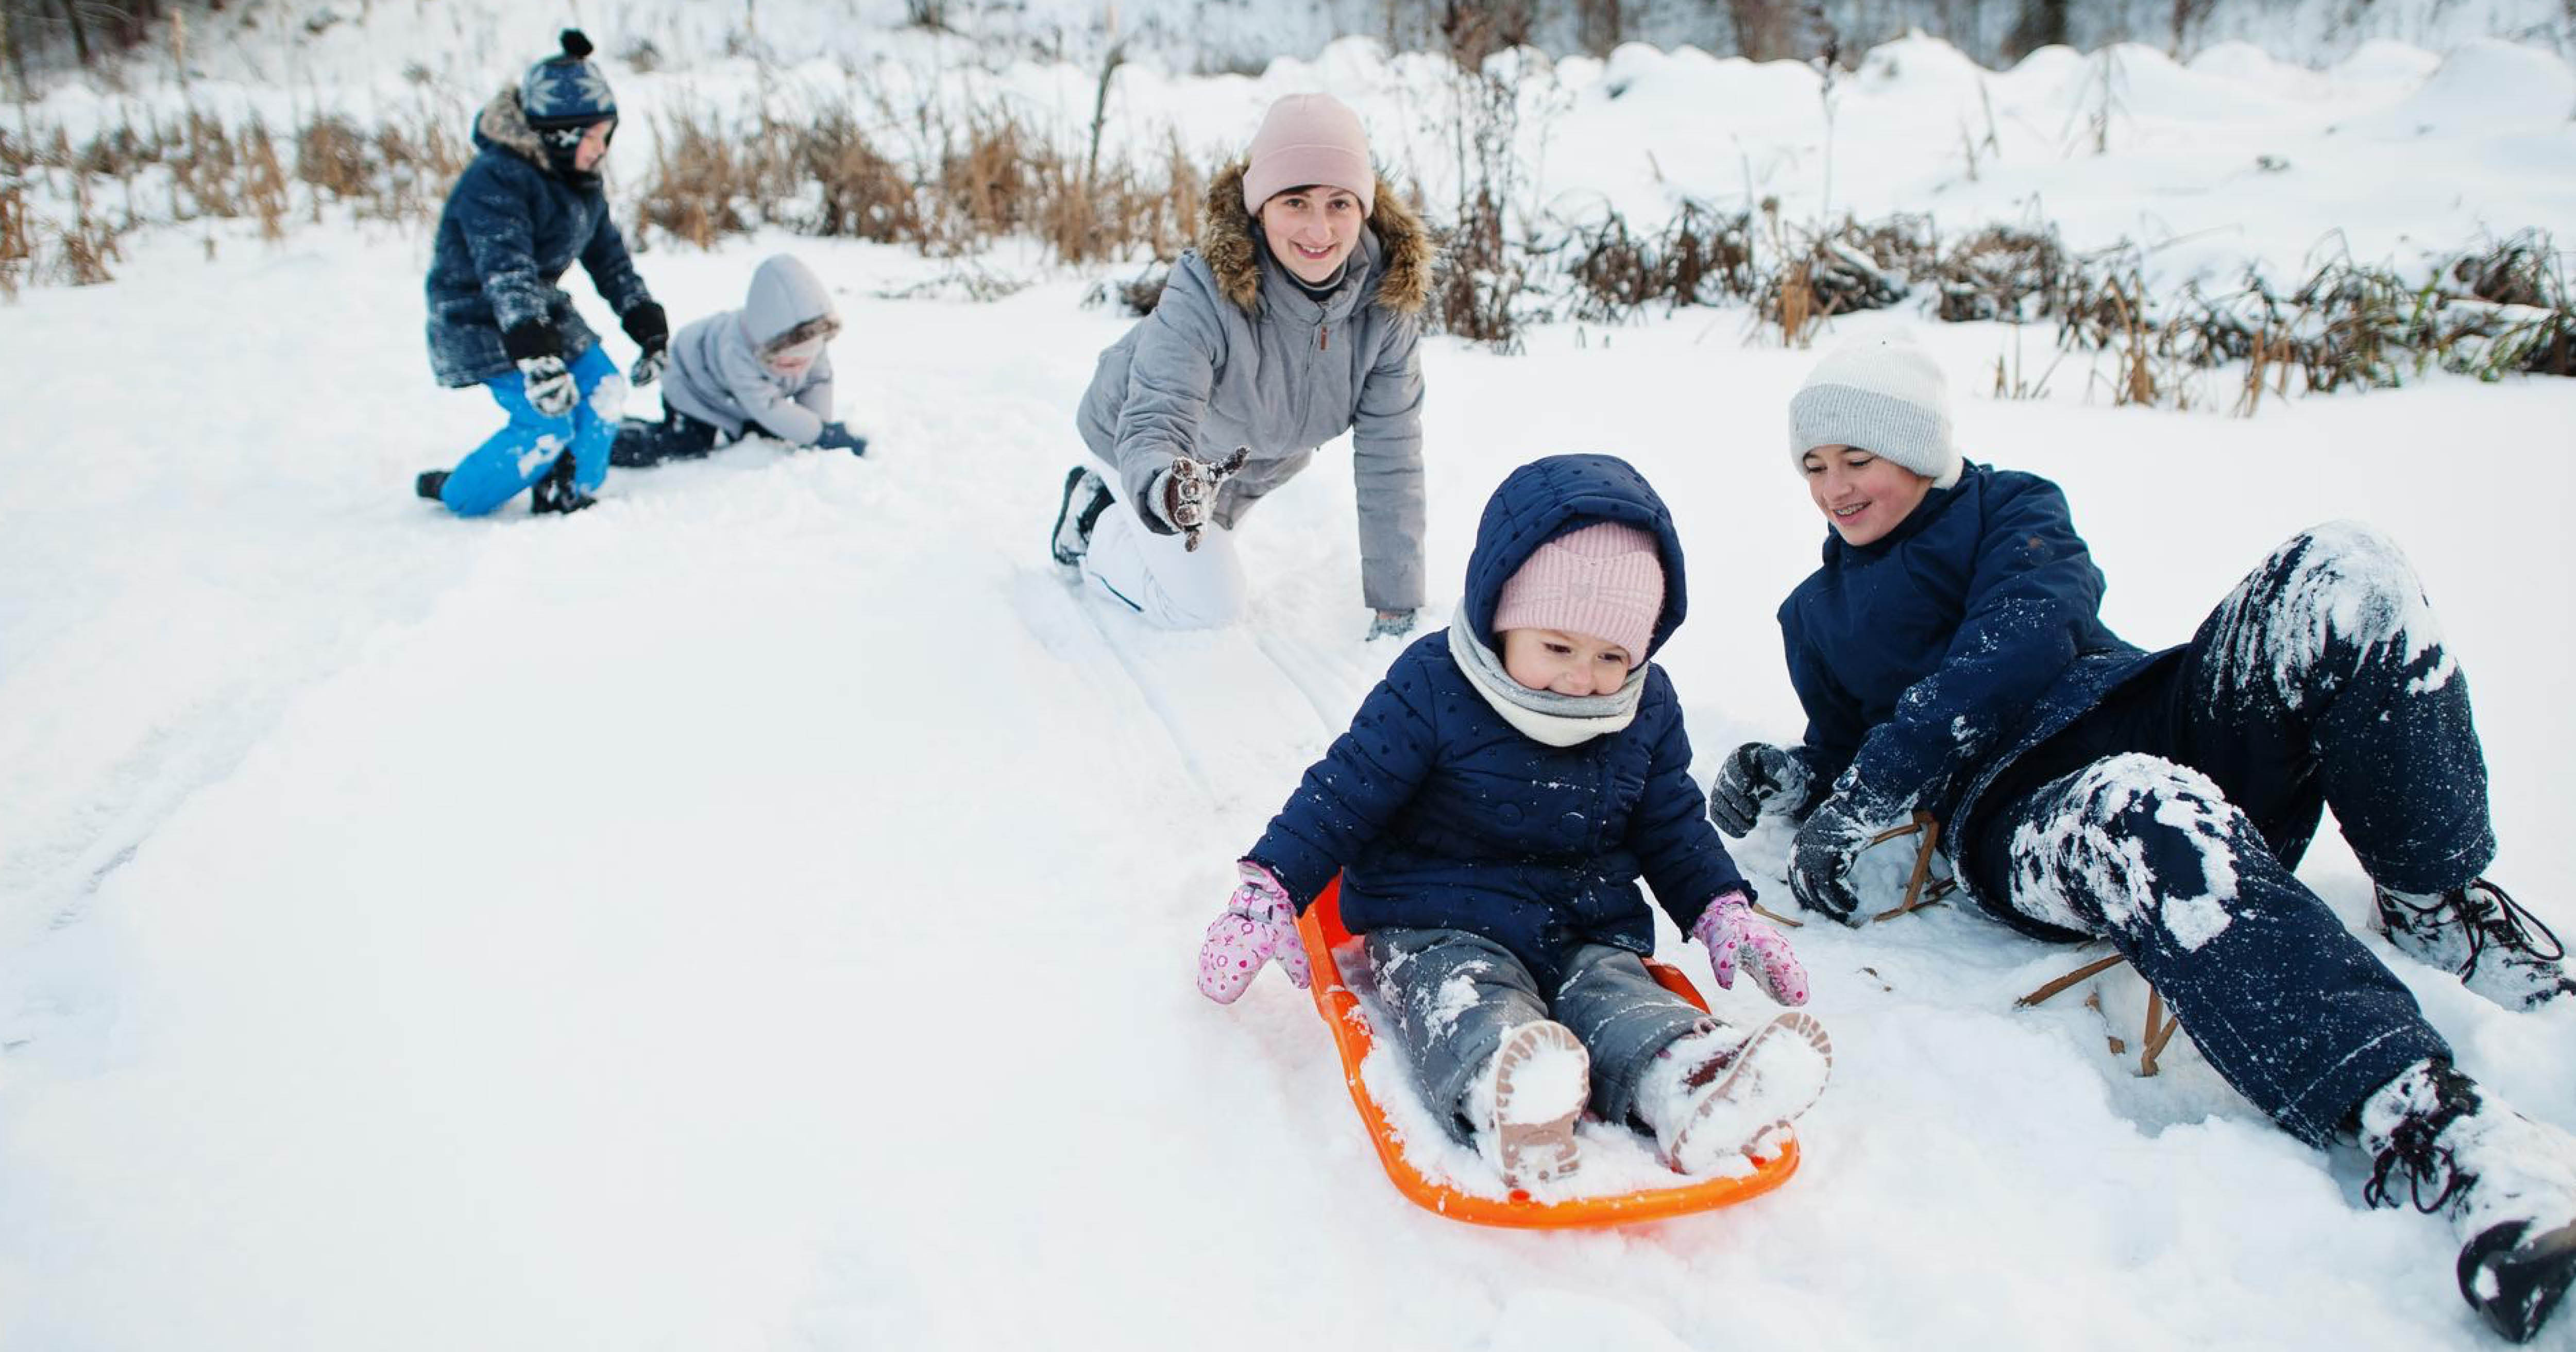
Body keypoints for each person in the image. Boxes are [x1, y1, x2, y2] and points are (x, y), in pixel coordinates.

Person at [1712, 336, 2576, 1342]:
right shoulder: (1811, 614)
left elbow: (2028, 633)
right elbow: (1843, 737)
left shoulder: (2010, 508)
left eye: (1855, 457)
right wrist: (1799, 772)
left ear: (1921, 449)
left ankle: (2433, 894)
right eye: (1811, 465)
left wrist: (1864, 784)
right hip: (2022, 816)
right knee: (2139, 805)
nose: (1832, 486)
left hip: (2151, 704)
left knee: (2347, 565)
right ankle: (2429, 1126)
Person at [1198, 454, 1829, 1187]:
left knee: (1617, 993)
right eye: (1557, 646)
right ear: (1501, 617)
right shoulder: (1434, 684)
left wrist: (1722, 908)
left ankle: (1689, 1079)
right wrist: (1269, 890)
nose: (1580, 677)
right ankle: (1510, 1092)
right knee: (1461, 996)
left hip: (1583, 924)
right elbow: (1345, 792)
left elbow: (1673, 824)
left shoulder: (1644, 707)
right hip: (1436, 918)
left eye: (1612, 655)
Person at [1051, 92, 1428, 639]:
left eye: (1339, 203)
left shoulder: (1385, 305)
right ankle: (1091, 521)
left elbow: (1390, 454)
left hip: (1242, 466)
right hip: (1143, 446)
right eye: (1294, 202)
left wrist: (1396, 606)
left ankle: (1143, 518)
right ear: (1259, 206)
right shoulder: (1206, 289)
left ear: (1364, 207)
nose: (1319, 231)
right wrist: (1164, 490)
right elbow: (1156, 414)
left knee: (1203, 556)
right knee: (1206, 605)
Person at [414, 30, 668, 517]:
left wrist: (648, 326)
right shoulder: (496, 179)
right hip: (478, 315)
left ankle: (569, 490)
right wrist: (539, 358)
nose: (602, 148)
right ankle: (459, 491)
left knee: (603, 387)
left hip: (537, 311)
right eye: (592, 136)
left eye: (605, 134)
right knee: (547, 424)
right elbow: (506, 273)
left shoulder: (579, 182)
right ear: (560, 135)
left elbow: (610, 260)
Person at [610, 253, 866, 467]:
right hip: (691, 381)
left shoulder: (812, 341)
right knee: (688, 443)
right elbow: (767, 406)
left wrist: (819, 427)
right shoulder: (737, 351)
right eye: (788, 364)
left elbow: (819, 381)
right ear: (766, 348)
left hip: (734, 393)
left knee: (773, 430)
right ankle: (613, 441)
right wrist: (820, 434)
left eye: (806, 361)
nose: (798, 369)